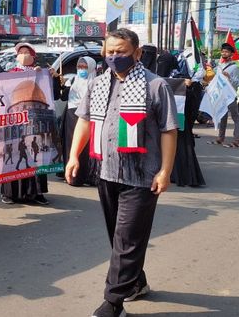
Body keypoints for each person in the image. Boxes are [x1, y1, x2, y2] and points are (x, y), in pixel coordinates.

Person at [66, 28, 178, 317]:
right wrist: (73, 156)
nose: (115, 57)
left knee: (127, 239)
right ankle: (135, 282)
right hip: (106, 172)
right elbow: (84, 121)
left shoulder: (155, 86)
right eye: (110, 52)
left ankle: (113, 302)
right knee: (120, 239)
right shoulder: (97, 83)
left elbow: (168, 130)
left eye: (122, 52)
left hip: (141, 177)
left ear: (137, 53)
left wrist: (165, 171)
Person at [1, 42, 49, 205]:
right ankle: (10, 193)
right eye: (20, 52)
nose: (23, 55)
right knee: (14, 155)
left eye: (27, 52)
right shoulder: (10, 74)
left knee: (37, 156)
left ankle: (36, 192)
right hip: (15, 121)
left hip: (35, 121)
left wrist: (48, 77)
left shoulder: (41, 74)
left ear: (33, 56)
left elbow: (51, 94)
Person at [60, 56, 98, 187]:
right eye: (79, 67)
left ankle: (85, 175)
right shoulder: (73, 80)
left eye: (85, 67)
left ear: (91, 68)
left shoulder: (96, 82)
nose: (81, 69)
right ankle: (71, 174)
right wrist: (63, 85)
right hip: (72, 113)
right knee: (71, 145)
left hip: (88, 115)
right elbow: (64, 96)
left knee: (86, 146)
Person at [209, 43, 239, 148]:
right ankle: (220, 138)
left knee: (236, 117)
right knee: (222, 116)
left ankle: (237, 141)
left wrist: (229, 78)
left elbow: (237, 82)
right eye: (223, 51)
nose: (224, 53)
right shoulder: (219, 66)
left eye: (227, 52)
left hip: (230, 95)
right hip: (221, 95)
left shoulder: (235, 67)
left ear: (231, 54)